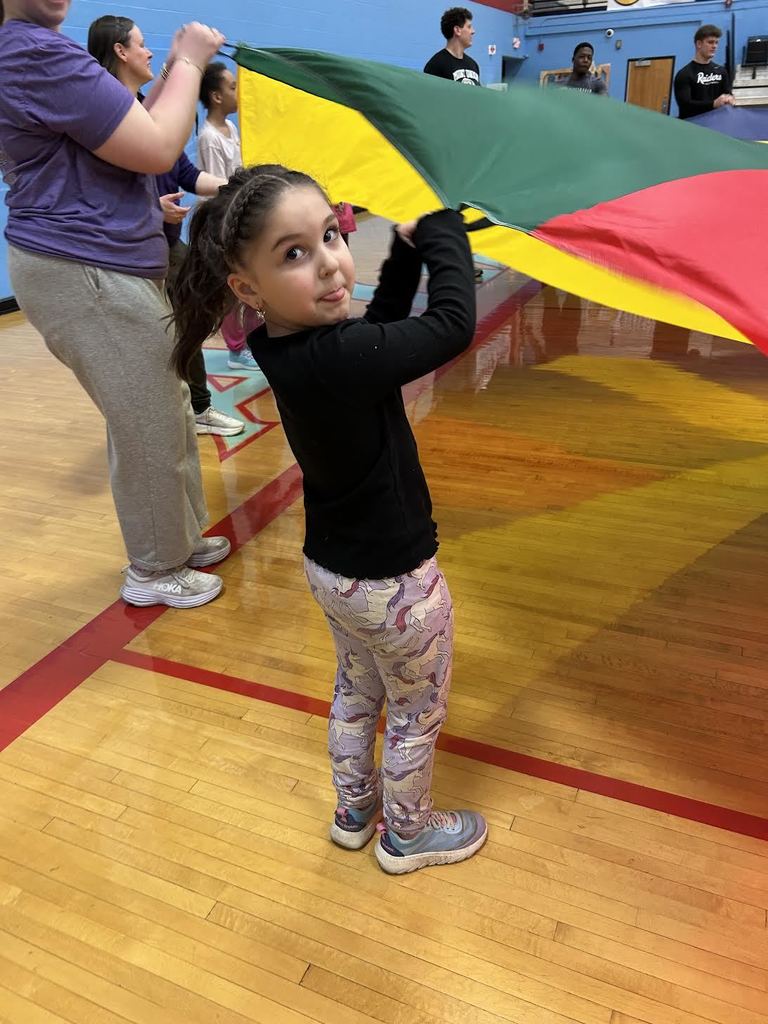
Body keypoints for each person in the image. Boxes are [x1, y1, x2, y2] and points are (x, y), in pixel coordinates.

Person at [170, 165, 488, 874]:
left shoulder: (286, 347)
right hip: (397, 584)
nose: (331, 264)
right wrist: (441, 227)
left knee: (355, 693)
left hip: (334, 574)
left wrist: (401, 253)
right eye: (295, 253)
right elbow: (453, 325)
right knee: (413, 714)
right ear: (246, 288)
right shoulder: (340, 357)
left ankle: (353, 812)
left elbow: (376, 338)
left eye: (333, 236)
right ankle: (407, 834)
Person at [0, 0, 231, 609]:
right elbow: (158, 150)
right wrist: (188, 61)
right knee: (147, 417)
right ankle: (155, 569)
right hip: (83, 267)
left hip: (101, 261)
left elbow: (120, 156)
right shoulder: (30, 51)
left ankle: (177, 538)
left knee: (168, 402)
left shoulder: (34, 50)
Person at [86, 14, 245, 439]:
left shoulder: (145, 111)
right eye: (141, 44)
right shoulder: (103, 114)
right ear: (120, 51)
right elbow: (99, 193)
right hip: (128, 252)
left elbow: (187, 174)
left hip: (163, 241)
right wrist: (151, 209)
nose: (149, 51)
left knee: (191, 314)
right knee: (170, 325)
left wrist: (243, 185)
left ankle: (193, 406)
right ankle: (185, 409)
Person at [674, 24, 733, 120]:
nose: (714, 46)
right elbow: (685, 105)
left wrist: (729, 99)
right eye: (710, 42)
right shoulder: (684, 74)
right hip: (694, 127)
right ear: (699, 44)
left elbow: (728, 94)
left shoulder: (721, 71)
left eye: (716, 43)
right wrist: (713, 104)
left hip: (718, 124)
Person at [423, 7, 480, 87]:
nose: (473, 31)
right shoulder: (435, 65)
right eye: (469, 27)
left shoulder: (473, 65)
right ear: (457, 30)